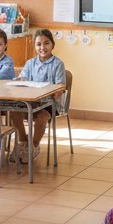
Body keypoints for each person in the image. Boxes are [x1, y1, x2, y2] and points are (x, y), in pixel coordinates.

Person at [10, 29, 66, 163]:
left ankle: (33, 146)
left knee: (42, 117)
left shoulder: (58, 64)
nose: (42, 48)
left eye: (46, 43)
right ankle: (24, 142)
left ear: (52, 45)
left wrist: (54, 94)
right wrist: (18, 81)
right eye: (38, 44)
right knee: (14, 112)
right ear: (34, 46)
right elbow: (23, 78)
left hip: (49, 104)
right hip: (30, 102)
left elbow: (61, 87)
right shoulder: (30, 63)